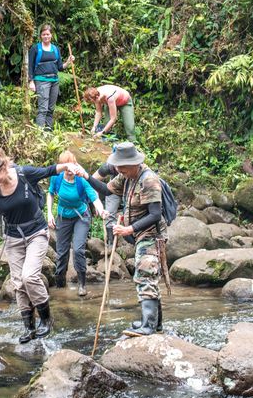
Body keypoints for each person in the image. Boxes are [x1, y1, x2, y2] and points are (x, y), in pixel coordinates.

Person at [0, 148, 82, 343]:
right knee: (18, 283)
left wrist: (67, 165)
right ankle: (29, 328)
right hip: (13, 238)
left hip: (36, 233)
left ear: (5, 166)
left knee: (29, 276)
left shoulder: (25, 173)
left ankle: (46, 320)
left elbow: (49, 170)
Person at [83, 142, 165, 336]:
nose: (118, 170)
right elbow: (106, 190)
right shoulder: (126, 176)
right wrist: (85, 177)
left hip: (151, 235)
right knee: (148, 274)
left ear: (134, 163)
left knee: (145, 272)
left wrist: (129, 229)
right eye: (117, 166)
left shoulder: (149, 180)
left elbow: (155, 214)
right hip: (138, 235)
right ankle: (155, 324)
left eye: (122, 167)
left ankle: (149, 325)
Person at [47, 151, 105, 297]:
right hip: (63, 217)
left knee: (78, 249)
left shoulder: (81, 179)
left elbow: (93, 197)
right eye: (66, 168)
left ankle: (82, 284)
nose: (69, 171)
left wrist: (101, 209)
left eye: (71, 166)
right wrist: (49, 213)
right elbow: (51, 193)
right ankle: (60, 285)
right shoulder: (57, 177)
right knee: (62, 253)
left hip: (81, 217)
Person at [28, 24, 74, 130]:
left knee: (51, 108)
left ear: (51, 35)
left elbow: (60, 67)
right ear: (40, 36)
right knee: (43, 108)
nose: (46, 36)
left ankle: (48, 130)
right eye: (43, 34)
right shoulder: (35, 49)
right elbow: (30, 65)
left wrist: (68, 61)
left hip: (54, 81)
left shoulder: (55, 49)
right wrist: (31, 81)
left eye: (48, 34)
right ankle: (39, 131)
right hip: (41, 81)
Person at [91, 156, 120, 246]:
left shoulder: (135, 167)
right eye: (117, 167)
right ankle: (111, 243)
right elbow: (93, 180)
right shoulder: (108, 167)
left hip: (132, 186)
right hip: (115, 187)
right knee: (109, 214)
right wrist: (97, 202)